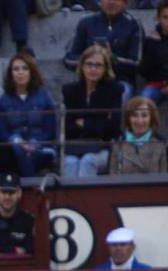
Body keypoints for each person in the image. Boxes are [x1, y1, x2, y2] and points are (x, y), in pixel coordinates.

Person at [63, 0, 143, 102]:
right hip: (88, 81)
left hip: (119, 81)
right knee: (73, 93)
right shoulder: (85, 22)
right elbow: (68, 59)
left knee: (122, 94)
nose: (111, 2)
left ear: (125, 2)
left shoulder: (134, 25)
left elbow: (137, 64)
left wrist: (111, 58)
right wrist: (91, 59)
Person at [62, 47, 123, 177]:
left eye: (98, 65)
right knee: (70, 162)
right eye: (89, 64)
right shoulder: (70, 91)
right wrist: (97, 123)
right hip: (74, 148)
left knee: (88, 160)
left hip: (103, 149)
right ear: (82, 66)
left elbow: (113, 128)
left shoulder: (113, 90)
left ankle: (82, 198)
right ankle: (70, 198)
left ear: (105, 69)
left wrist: (84, 123)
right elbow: (67, 126)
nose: (93, 69)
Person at [0, 53, 57, 177]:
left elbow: (50, 131)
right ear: (10, 74)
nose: (20, 72)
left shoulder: (44, 96)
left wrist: (34, 144)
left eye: (24, 68)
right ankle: (32, 187)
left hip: (41, 148)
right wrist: (17, 141)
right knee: (19, 152)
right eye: (16, 69)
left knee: (25, 157)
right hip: (14, 150)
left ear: (31, 72)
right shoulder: (3, 100)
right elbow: (2, 132)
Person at [108, 96, 167, 174]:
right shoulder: (117, 144)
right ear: (128, 118)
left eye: (144, 115)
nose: (140, 121)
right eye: (134, 115)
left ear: (151, 118)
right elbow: (112, 179)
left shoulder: (162, 144)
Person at [138, 0, 168, 106]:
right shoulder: (151, 41)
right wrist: (155, 47)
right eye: (166, 17)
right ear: (158, 19)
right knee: (143, 101)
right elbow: (143, 71)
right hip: (156, 85)